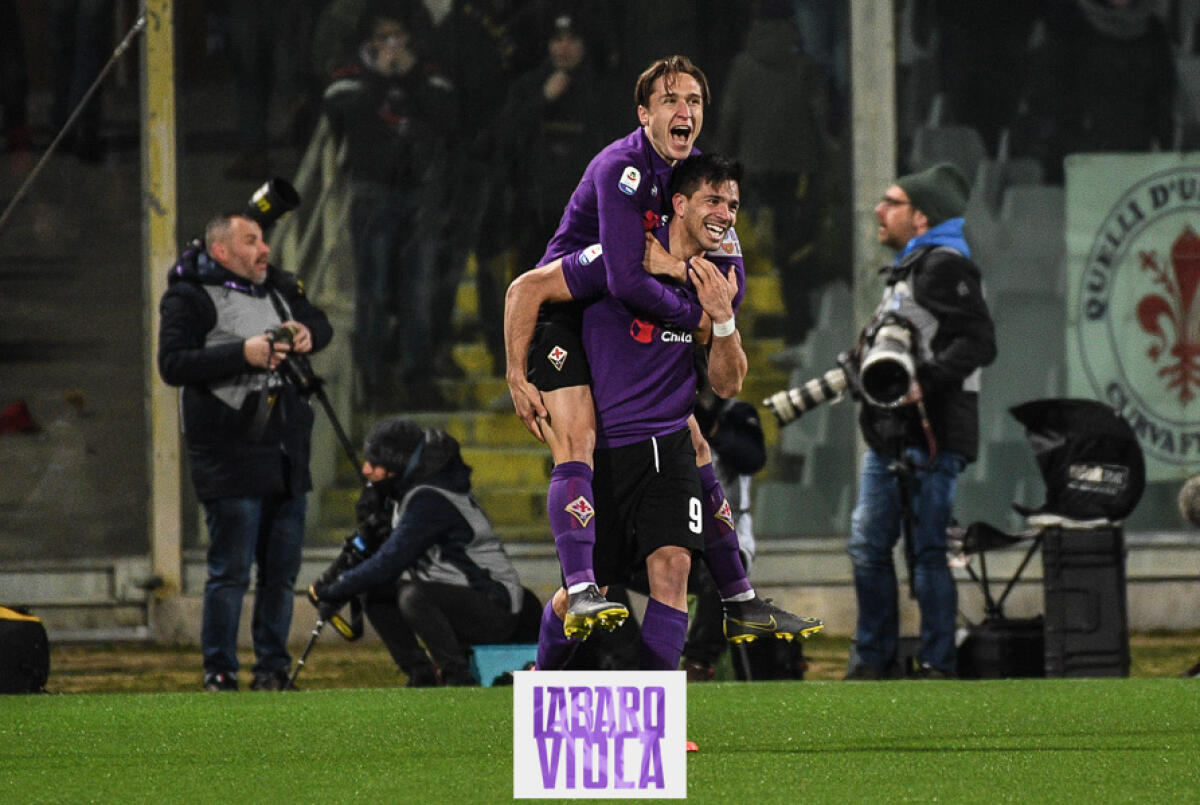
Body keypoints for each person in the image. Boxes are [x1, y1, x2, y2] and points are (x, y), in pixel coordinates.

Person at [506, 57, 821, 650]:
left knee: (692, 443)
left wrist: (713, 313)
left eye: (696, 100)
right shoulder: (620, 169)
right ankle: (579, 589)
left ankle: (738, 598)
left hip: (630, 329)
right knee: (577, 437)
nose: (686, 111)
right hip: (566, 313)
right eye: (671, 100)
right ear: (644, 113)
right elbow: (620, 277)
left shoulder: (701, 197)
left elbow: (721, 330)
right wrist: (516, 374)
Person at [157, 212, 334, 692]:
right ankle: (219, 671)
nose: (265, 249)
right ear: (221, 252)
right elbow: (172, 363)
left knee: (281, 574)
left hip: (285, 454)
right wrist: (243, 354)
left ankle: (272, 670)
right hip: (229, 454)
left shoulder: (277, 288)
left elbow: (318, 321)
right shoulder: (188, 296)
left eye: (263, 240)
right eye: (251, 241)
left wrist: (307, 334)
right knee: (230, 572)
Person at [844, 162, 996, 681]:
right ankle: (873, 661)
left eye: (892, 202)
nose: (879, 211)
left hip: (931, 436)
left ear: (922, 217)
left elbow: (979, 342)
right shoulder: (910, 269)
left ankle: (934, 662)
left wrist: (921, 383)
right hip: (890, 436)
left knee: (928, 550)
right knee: (868, 545)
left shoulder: (945, 265)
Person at [306, 417, 525, 686]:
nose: (365, 470)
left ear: (396, 465)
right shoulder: (409, 492)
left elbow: (389, 562)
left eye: (374, 464)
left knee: (413, 596)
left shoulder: (430, 498)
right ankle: (421, 674)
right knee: (376, 592)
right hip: (462, 597)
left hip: (496, 607)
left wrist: (335, 589)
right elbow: (377, 555)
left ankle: (457, 678)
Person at [322, 7, 456, 407]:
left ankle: (418, 379)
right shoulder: (350, 79)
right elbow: (339, 115)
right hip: (373, 193)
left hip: (419, 193)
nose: (392, 47)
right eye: (384, 39)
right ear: (370, 42)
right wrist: (381, 77)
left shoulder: (429, 76)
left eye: (398, 38)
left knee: (417, 291)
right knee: (374, 290)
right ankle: (376, 382)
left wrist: (409, 77)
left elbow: (446, 116)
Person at [680, 388, 767, 681]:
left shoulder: (738, 413)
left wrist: (711, 427)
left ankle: (696, 664)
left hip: (728, 538)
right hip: (672, 540)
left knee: (722, 572)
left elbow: (752, 459)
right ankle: (624, 663)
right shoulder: (661, 417)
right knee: (603, 568)